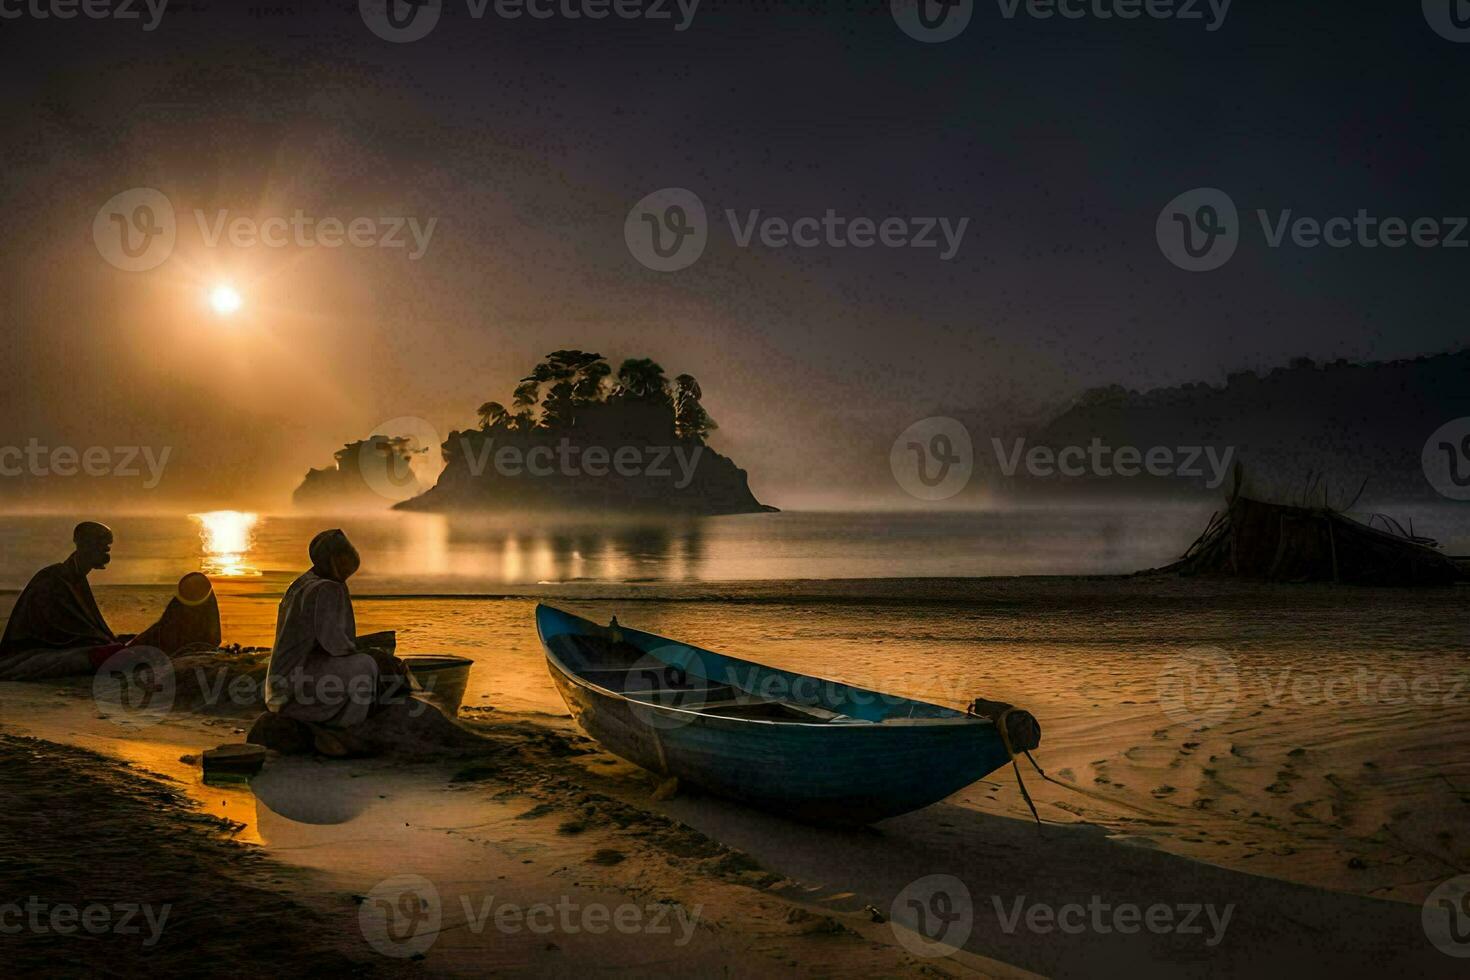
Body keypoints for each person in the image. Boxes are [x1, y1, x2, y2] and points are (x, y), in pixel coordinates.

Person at [0, 522, 223, 680]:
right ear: (84, 546)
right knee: (136, 649)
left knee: (135, 645)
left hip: (82, 650)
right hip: (48, 652)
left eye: (108, 547)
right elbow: (62, 631)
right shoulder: (54, 579)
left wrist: (103, 640)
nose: (107, 553)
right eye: (102, 547)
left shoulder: (74, 578)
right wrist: (101, 643)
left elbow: (82, 628)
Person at [263, 529, 408, 754]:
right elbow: (335, 645)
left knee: (363, 661)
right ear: (334, 560)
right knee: (365, 666)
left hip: (279, 685)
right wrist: (371, 654)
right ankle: (346, 727)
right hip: (294, 688)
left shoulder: (302, 582)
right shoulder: (325, 589)